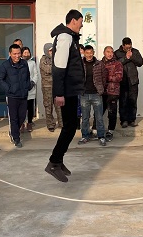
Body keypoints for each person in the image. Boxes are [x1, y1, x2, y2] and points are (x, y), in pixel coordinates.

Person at [45, 10, 85, 182]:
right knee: (69, 127)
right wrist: (59, 93)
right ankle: (54, 162)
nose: (82, 25)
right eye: (81, 22)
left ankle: (58, 161)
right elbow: (58, 68)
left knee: (71, 126)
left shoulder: (70, 38)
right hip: (66, 91)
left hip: (71, 90)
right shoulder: (65, 37)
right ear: (73, 21)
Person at [0, 44, 31, 148]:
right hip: (12, 96)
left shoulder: (24, 63)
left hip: (23, 95)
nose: (17, 56)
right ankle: (16, 138)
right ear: (10, 54)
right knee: (14, 118)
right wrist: (9, 89)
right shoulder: (5, 65)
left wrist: (27, 86)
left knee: (22, 116)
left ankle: (13, 131)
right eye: (14, 54)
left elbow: (27, 77)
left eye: (19, 53)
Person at [78, 45, 106, 146]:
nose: (89, 55)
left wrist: (100, 89)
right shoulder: (80, 64)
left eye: (91, 53)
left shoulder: (99, 64)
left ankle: (101, 136)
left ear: (93, 53)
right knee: (85, 118)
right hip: (84, 94)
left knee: (99, 117)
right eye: (87, 53)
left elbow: (104, 77)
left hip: (96, 94)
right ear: (84, 53)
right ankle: (85, 136)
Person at [115, 37, 143, 128]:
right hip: (122, 81)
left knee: (133, 101)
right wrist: (126, 58)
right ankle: (124, 120)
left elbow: (140, 62)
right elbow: (116, 64)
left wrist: (132, 56)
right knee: (123, 101)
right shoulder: (117, 53)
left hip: (133, 80)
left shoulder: (135, 51)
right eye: (126, 47)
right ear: (123, 45)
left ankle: (132, 120)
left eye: (130, 47)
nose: (128, 48)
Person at [101, 46, 123, 141]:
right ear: (104, 53)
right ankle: (96, 129)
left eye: (111, 52)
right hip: (102, 91)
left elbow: (119, 77)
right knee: (99, 111)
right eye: (108, 51)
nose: (110, 54)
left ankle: (110, 131)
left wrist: (105, 77)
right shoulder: (100, 63)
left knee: (112, 112)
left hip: (113, 91)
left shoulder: (117, 64)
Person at [39, 43, 62, 132]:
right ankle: (50, 124)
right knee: (48, 106)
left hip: (57, 86)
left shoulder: (57, 58)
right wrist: (56, 65)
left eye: (53, 50)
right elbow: (48, 70)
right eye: (50, 50)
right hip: (47, 87)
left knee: (59, 106)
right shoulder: (43, 60)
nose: (52, 52)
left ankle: (61, 123)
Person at [22, 47, 39, 132]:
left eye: (28, 53)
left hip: (31, 89)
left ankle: (29, 123)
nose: (26, 54)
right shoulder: (19, 63)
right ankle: (22, 123)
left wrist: (32, 83)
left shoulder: (32, 63)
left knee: (30, 107)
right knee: (22, 108)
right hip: (21, 89)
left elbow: (36, 74)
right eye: (25, 53)